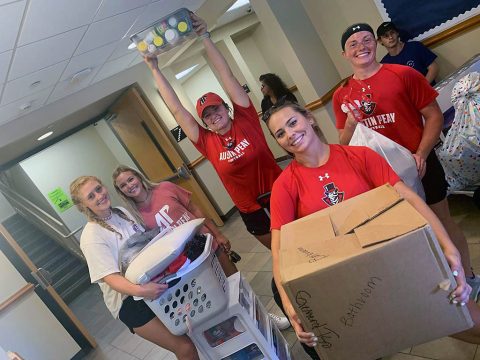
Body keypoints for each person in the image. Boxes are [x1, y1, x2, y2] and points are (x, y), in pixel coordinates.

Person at [264, 100, 480, 353]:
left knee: (469, 321)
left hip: (395, 262)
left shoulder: (359, 155)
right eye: (280, 133)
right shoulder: (284, 186)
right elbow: (280, 251)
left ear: (309, 119)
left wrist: (447, 248)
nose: (290, 134)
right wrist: (290, 306)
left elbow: (408, 198)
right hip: (350, 287)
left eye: (293, 123)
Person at [143, 13, 289, 331]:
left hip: (283, 195)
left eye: (217, 109)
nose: (213, 116)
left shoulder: (246, 118)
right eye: (207, 115)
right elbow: (177, 110)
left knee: (303, 241)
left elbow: (226, 77)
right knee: (284, 255)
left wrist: (205, 37)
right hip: (252, 211)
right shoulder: (207, 142)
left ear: (226, 107)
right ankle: (298, 303)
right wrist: (154, 69)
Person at [332, 23, 480, 300]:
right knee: (409, 233)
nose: (361, 46)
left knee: (442, 221)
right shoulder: (342, 95)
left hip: (421, 164)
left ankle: (470, 276)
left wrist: (422, 154)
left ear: (375, 44)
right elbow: (344, 142)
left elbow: (434, 117)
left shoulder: (404, 74)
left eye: (366, 40)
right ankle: (435, 282)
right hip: (383, 179)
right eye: (353, 43)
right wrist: (351, 122)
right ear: (344, 54)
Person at [70, 176, 199, 359]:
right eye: (91, 196)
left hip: (150, 282)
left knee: (193, 327)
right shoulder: (91, 236)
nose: (99, 196)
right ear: (84, 206)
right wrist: (142, 291)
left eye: (99, 189)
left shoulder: (121, 212)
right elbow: (111, 278)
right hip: (129, 301)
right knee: (184, 347)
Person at [112, 165, 237, 276]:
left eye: (130, 179)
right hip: (186, 260)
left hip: (207, 241)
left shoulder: (165, 188)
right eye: (123, 185)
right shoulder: (135, 216)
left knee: (234, 279)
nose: (129, 186)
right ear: (120, 191)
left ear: (138, 177)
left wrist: (218, 234)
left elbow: (195, 210)